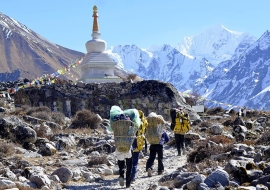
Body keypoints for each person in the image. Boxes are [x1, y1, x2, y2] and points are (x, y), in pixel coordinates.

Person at [131, 110, 148, 183]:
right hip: (139, 143)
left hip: (131, 142)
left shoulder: (131, 122)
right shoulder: (143, 122)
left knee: (129, 161)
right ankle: (133, 177)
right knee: (135, 162)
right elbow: (145, 129)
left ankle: (128, 176)